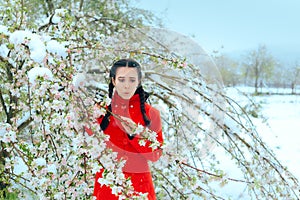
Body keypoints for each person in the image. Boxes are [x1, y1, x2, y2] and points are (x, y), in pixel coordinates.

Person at [93, 58, 164, 199]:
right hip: (107, 188)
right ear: (113, 81)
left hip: (140, 187)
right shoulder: (100, 112)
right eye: (121, 80)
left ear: (139, 81)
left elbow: (156, 154)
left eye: (132, 80)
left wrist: (135, 134)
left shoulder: (151, 114)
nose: (127, 86)